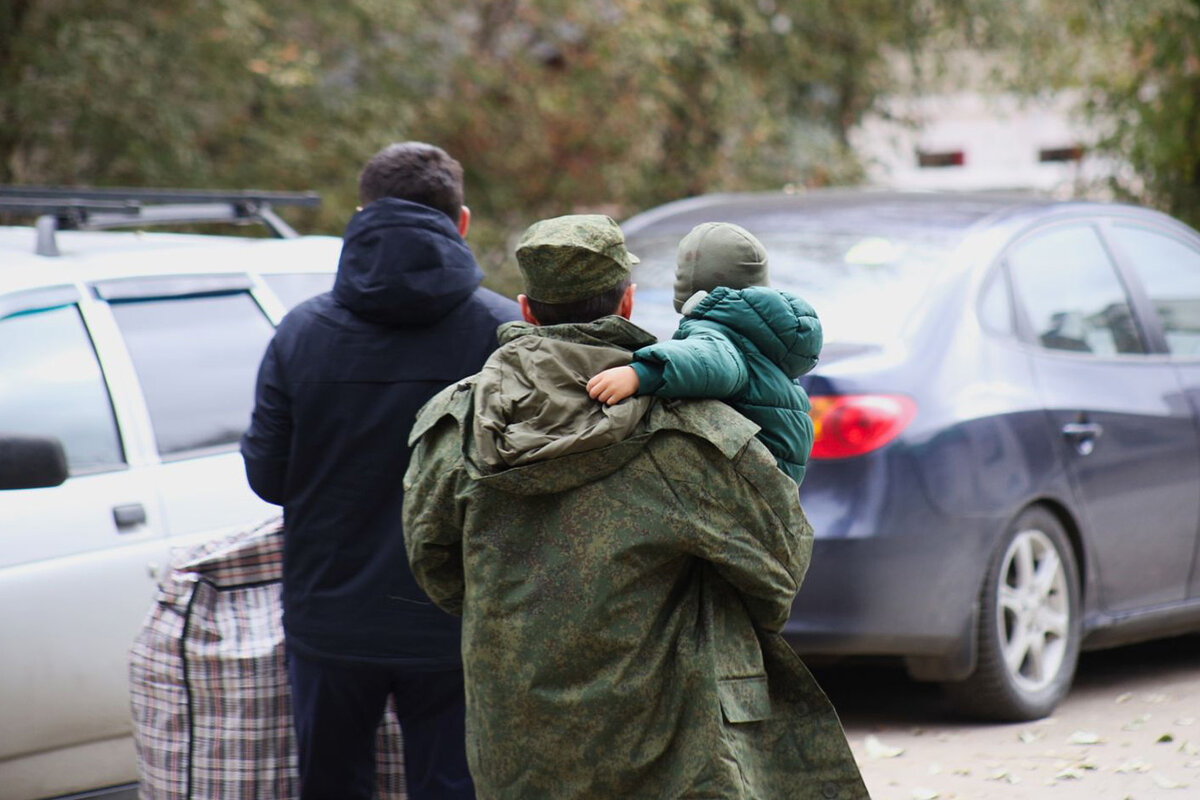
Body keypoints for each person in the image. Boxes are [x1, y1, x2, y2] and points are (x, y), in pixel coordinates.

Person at [402, 214, 867, 799]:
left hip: (518, 740)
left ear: (525, 308)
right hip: (674, 744)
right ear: (627, 302)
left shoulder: (455, 424)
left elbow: (435, 566)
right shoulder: (696, 427)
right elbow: (778, 568)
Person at [240, 141, 519, 800]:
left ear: (362, 215)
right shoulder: (504, 335)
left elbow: (267, 478)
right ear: (463, 222)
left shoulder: (301, 333)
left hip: (329, 622)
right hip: (460, 625)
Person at [587, 221, 821, 487]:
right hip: (775, 461)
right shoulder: (753, 330)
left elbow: (713, 362)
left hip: (753, 469)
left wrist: (641, 373)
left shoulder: (717, 332)